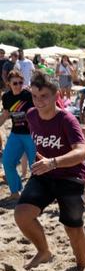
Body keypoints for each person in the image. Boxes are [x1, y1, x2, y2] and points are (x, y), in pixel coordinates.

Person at [14, 72, 85, 271]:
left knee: (73, 228)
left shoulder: (67, 119)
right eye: (35, 96)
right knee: (22, 214)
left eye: (44, 96)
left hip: (70, 176)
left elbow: (82, 152)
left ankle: (82, 267)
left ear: (56, 96)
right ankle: (44, 251)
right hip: (44, 174)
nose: (39, 101)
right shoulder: (31, 115)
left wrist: (53, 162)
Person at [1, 70, 36, 199]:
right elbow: (5, 115)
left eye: (20, 82)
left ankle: (40, 192)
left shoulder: (29, 95)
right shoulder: (6, 97)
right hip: (16, 133)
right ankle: (15, 192)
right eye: (15, 83)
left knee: (35, 166)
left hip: (31, 134)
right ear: (9, 83)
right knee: (7, 162)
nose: (18, 85)